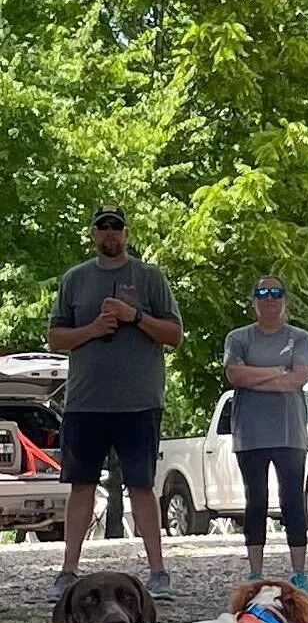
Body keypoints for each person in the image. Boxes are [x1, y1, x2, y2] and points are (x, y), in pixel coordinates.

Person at [47, 206, 184, 600]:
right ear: (93, 233)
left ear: (126, 233)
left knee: (142, 485)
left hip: (139, 402)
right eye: (103, 227)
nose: (110, 233)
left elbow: (174, 335)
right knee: (81, 485)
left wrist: (134, 315)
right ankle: (68, 571)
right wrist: (92, 329)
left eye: (116, 227)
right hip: (86, 402)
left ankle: (158, 573)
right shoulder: (75, 280)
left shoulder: (149, 277)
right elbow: (56, 338)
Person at [222, 276, 308, 591]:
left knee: (291, 499)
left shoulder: (300, 338)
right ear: (253, 300)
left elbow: (298, 380)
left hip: (290, 432)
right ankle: (255, 572)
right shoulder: (238, 338)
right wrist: (277, 371)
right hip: (250, 433)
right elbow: (234, 375)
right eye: (262, 293)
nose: (269, 299)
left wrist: (256, 376)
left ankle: (300, 571)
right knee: (255, 500)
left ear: (284, 300)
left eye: (275, 293)